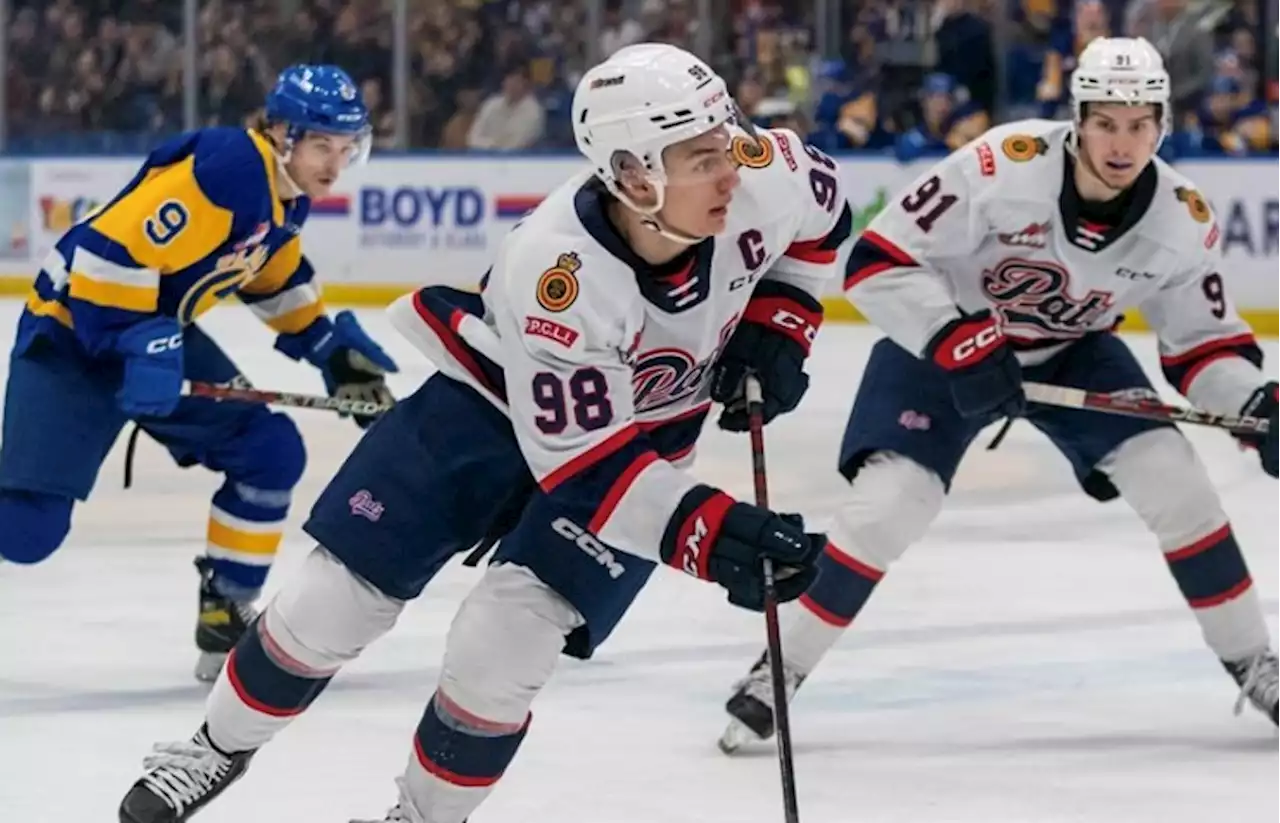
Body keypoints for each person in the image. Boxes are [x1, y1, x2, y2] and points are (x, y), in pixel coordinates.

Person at [116, 43, 841, 823]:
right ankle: (215, 747)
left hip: (644, 439)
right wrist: (715, 533)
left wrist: (783, 318)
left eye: (728, 139)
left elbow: (822, 219)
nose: (733, 169)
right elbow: (586, 468)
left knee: (501, 655)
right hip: (488, 410)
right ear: (633, 174)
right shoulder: (556, 270)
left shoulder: (764, 171)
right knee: (334, 601)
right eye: (703, 157)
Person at [720, 36, 1280, 752]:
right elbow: (879, 261)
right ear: (1078, 118)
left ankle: (1253, 659)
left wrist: (1258, 404)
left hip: (1073, 352)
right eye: (1106, 121)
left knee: (1178, 485)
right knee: (893, 503)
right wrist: (954, 338)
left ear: (1161, 125)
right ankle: (782, 667)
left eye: (1139, 124)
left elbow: (1203, 345)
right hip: (944, 342)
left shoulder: (1183, 216)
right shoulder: (999, 166)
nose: (1121, 141)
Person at [0, 64, 398, 682]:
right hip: (72, 340)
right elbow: (106, 252)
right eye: (323, 145)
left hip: (156, 339)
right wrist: (139, 341)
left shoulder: (284, 197)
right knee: (27, 534)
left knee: (268, 452)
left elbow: (273, 278)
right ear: (281, 133)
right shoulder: (228, 169)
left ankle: (224, 614)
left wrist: (329, 349)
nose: (334, 164)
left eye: (347, 149)